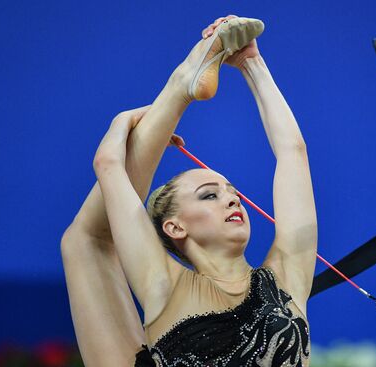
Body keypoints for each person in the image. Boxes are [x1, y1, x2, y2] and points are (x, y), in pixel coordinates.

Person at [61, 15, 317, 367]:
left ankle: (187, 78)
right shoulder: (163, 284)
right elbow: (108, 166)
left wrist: (250, 62)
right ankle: (183, 82)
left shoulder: (288, 276)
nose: (231, 198)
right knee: (85, 243)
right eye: (209, 195)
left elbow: (293, 152)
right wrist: (120, 123)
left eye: (232, 193)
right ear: (175, 227)